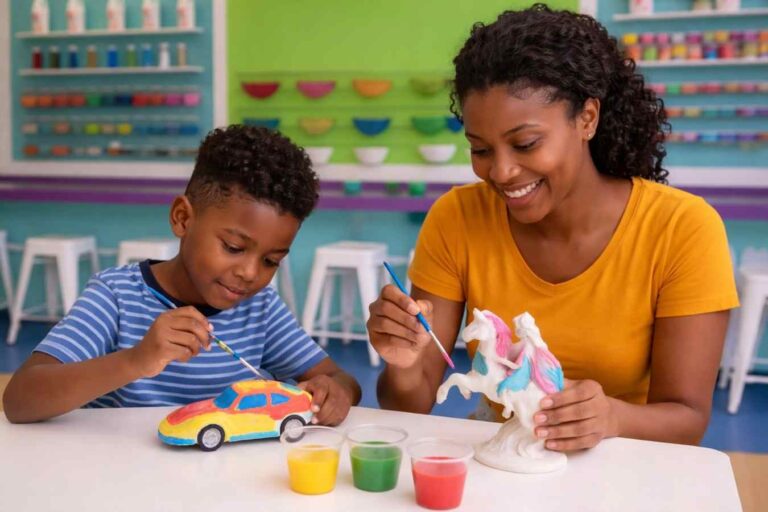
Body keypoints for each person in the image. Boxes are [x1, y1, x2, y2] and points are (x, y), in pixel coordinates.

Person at [367, 4, 738, 452]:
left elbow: (687, 419)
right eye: (480, 149)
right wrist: (405, 363)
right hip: (504, 460)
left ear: (587, 119)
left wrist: (611, 418)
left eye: (526, 143)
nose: (501, 172)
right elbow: (409, 402)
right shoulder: (456, 219)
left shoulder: (682, 229)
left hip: (624, 465)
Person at [4, 125, 360, 424]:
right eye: (234, 248)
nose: (250, 273)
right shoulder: (116, 296)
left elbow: (339, 379)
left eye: (271, 261)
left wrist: (336, 392)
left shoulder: (260, 309)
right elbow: (21, 400)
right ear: (183, 218)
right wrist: (136, 360)